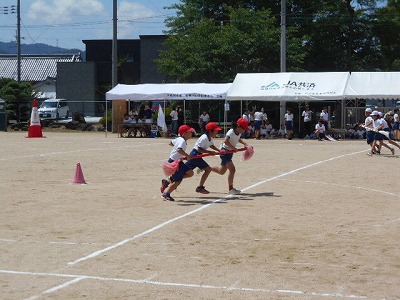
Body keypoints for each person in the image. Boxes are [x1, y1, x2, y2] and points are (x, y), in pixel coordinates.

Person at [211, 118, 249, 195]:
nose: (244, 130)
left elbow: (238, 139)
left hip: (229, 153)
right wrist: (233, 148)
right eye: (243, 128)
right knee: (232, 170)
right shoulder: (231, 132)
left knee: (221, 171)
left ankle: (206, 167)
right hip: (225, 152)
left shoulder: (239, 133)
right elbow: (225, 141)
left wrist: (244, 143)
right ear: (239, 127)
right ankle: (231, 189)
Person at [160, 125, 196, 201]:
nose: (191, 133)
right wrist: (187, 155)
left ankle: (168, 181)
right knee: (178, 181)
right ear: (184, 133)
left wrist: (178, 152)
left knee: (190, 173)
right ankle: (166, 194)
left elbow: (171, 143)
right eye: (189, 132)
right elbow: (179, 150)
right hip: (175, 162)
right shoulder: (182, 141)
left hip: (178, 161)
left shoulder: (179, 139)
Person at [185, 122, 222, 194]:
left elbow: (212, 146)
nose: (217, 132)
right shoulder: (204, 138)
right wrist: (210, 152)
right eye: (216, 130)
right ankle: (200, 187)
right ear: (210, 131)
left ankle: (170, 180)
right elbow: (199, 149)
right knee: (208, 169)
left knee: (185, 172)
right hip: (195, 155)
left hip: (197, 156)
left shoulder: (209, 137)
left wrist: (219, 150)